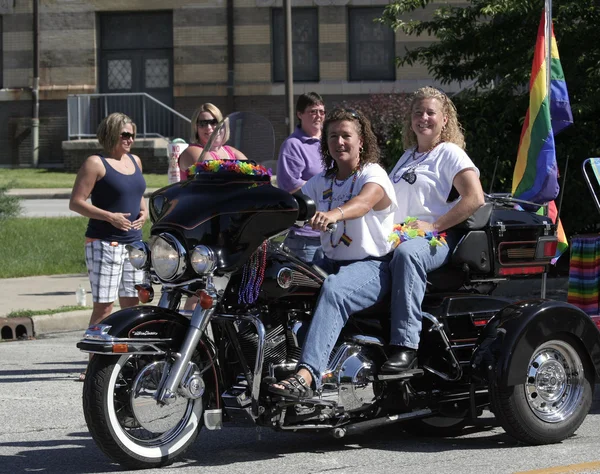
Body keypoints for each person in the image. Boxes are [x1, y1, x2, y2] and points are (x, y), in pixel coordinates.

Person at [268, 108, 398, 399]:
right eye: (333, 136)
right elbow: (292, 205)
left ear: (361, 140)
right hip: (330, 262)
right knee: (279, 280)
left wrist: (334, 214)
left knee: (334, 289)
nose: (339, 141)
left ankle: (307, 375)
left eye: (346, 135)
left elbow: (364, 203)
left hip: (372, 266)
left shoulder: (372, 173)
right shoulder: (321, 182)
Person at [381, 86, 485, 374]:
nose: (423, 118)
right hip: (397, 234)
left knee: (407, 255)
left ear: (445, 119)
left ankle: (405, 346)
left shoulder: (449, 153)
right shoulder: (406, 157)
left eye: (430, 112)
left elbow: (475, 198)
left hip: (435, 237)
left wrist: (434, 226)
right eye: (418, 112)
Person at [69, 112, 147, 380]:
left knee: (132, 304)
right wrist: (109, 216)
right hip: (104, 243)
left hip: (134, 244)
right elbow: (76, 202)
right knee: (104, 306)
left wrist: (144, 212)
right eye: (125, 134)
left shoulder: (135, 160)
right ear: (111, 134)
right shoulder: (95, 163)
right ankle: (94, 365)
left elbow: (139, 194)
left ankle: (129, 362)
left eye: (133, 134)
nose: (130, 139)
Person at [277, 92, 326, 263]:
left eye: (321, 111)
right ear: (299, 114)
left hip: (333, 233)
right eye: (312, 111)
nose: (318, 116)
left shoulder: (331, 142)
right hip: (305, 237)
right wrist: (329, 188)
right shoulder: (293, 145)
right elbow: (291, 187)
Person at [178, 103, 247, 180]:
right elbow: (213, 174)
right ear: (196, 128)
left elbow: (253, 170)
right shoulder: (192, 151)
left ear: (223, 124)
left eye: (214, 122)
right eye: (203, 123)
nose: (209, 127)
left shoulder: (231, 151)